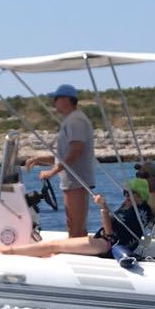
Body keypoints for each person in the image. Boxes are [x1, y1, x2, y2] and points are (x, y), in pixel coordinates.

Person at [0, 178, 153, 260]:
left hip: (106, 245)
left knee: (53, 245)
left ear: (140, 195)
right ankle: (20, 252)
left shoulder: (133, 214)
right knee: (58, 246)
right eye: (125, 193)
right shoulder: (143, 210)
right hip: (106, 243)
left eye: (130, 194)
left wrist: (103, 208)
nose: (126, 197)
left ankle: (10, 251)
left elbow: (110, 235)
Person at [25, 83, 96, 237]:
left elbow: (76, 150)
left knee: (75, 227)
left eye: (55, 99)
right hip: (73, 182)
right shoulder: (71, 120)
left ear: (66, 100)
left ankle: (77, 249)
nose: (53, 102)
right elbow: (65, 154)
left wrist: (52, 172)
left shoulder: (75, 121)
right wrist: (38, 159)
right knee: (73, 225)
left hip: (76, 181)